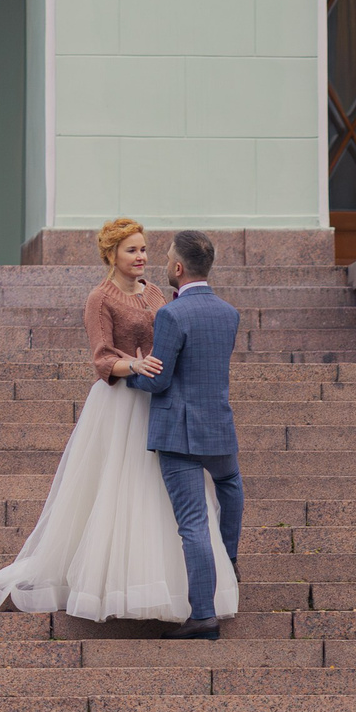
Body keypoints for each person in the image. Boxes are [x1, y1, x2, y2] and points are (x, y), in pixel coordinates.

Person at [0, 219, 238, 625]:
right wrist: (134, 364)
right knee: (118, 487)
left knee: (161, 498)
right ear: (111, 254)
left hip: (160, 401)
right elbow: (100, 358)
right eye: (132, 250)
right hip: (122, 399)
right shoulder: (100, 298)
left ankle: (174, 586)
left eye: (145, 249)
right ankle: (109, 582)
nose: (142, 257)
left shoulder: (155, 294)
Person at [127, 230, 245, 641]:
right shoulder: (229, 313)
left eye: (167, 258)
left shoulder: (172, 315)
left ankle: (203, 615)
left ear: (178, 269)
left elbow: (159, 382)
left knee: (193, 523)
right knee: (230, 484)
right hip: (219, 426)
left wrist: (132, 378)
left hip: (179, 432)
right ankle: (229, 558)